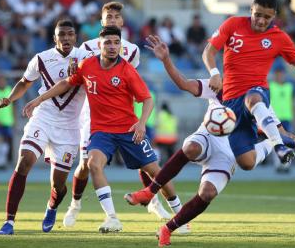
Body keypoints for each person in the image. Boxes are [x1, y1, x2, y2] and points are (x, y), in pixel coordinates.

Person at [124, 35, 295, 247]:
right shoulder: (218, 85)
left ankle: (167, 229)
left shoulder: (260, 104)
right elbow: (183, 83)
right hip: (208, 137)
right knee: (190, 146)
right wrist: (166, 60)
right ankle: (150, 191)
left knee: (207, 193)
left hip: (230, 154)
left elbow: (285, 135)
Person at [23, 26, 187, 233]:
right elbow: (66, 83)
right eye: (107, 42)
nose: (112, 47)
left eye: (116, 43)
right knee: (93, 164)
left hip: (128, 130)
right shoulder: (87, 65)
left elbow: (147, 99)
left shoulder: (127, 70)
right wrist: (39, 99)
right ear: (99, 45)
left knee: (156, 172)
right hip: (101, 132)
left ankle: (181, 218)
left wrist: (142, 123)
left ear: (120, 45)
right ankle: (112, 218)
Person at [202, 0, 295, 172]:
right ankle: (273, 143)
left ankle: (278, 147)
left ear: (274, 16)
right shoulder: (232, 24)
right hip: (232, 105)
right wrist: (214, 72)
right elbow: (209, 51)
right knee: (246, 163)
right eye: (257, 15)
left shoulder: (280, 38)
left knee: (252, 98)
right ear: (251, 9)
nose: (261, 21)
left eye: (267, 17)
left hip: (257, 94)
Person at [63, 1, 172, 229]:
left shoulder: (131, 49)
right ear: (102, 21)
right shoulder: (85, 47)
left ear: (122, 22)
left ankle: (152, 200)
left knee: (144, 162)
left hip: (122, 116)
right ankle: (75, 204)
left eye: (116, 17)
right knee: (86, 164)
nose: (112, 20)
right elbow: (74, 68)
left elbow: (127, 78)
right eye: (108, 17)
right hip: (91, 116)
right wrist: (73, 62)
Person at [0, 19, 92, 235]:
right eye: (62, 34)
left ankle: (52, 207)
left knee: (58, 185)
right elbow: (24, 82)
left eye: (70, 34)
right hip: (44, 118)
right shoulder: (41, 59)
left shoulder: (86, 59)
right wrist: (10, 99)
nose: (66, 38)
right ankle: (9, 222)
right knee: (24, 162)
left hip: (70, 127)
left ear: (75, 37)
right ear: (54, 38)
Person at [269, 68, 294, 173]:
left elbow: (291, 102)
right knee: (276, 141)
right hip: (275, 118)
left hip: (287, 117)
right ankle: (278, 164)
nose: (280, 76)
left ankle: (287, 165)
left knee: (288, 141)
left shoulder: (289, 87)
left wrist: (293, 116)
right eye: (278, 74)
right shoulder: (271, 86)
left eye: (281, 74)